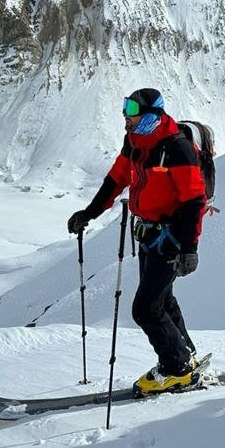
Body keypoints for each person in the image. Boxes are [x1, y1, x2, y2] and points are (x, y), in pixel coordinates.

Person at [67, 88, 207, 394]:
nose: (125, 116)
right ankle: (186, 356)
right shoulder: (135, 143)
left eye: (132, 109)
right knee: (162, 299)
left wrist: (189, 249)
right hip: (146, 236)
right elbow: (116, 179)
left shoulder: (177, 148)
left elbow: (194, 200)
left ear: (151, 115)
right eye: (125, 107)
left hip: (171, 237)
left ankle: (177, 369)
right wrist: (88, 213)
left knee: (145, 309)